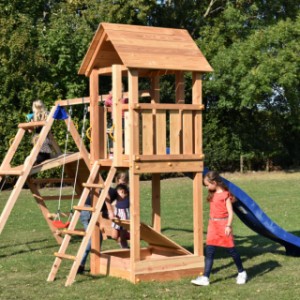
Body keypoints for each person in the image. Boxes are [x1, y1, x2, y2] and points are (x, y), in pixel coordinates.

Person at [191, 171, 247, 286]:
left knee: (231, 251)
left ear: (214, 182)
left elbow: (231, 213)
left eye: (208, 185)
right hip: (212, 226)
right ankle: (205, 278)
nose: (207, 187)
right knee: (209, 251)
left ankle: (242, 272)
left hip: (223, 226)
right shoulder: (213, 194)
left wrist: (228, 226)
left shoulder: (225, 195)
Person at [77, 172, 129, 273]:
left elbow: (103, 210)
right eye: (122, 182)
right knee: (92, 239)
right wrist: (110, 210)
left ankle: (91, 263)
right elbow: (105, 196)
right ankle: (80, 264)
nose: (123, 187)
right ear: (117, 182)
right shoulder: (113, 191)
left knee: (98, 237)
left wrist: (112, 214)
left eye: (125, 183)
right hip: (87, 210)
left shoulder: (115, 192)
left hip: (88, 211)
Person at [31, 100, 52, 165]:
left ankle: (35, 160)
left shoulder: (33, 116)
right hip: (44, 137)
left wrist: (31, 124)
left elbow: (30, 130)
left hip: (36, 138)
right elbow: (49, 126)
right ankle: (38, 159)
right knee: (44, 154)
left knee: (38, 153)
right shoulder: (47, 114)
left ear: (34, 108)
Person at [110, 183, 130, 249]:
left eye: (124, 193)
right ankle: (121, 243)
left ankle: (126, 248)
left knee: (122, 238)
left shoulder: (127, 197)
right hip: (117, 217)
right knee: (114, 236)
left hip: (124, 218)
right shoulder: (116, 197)